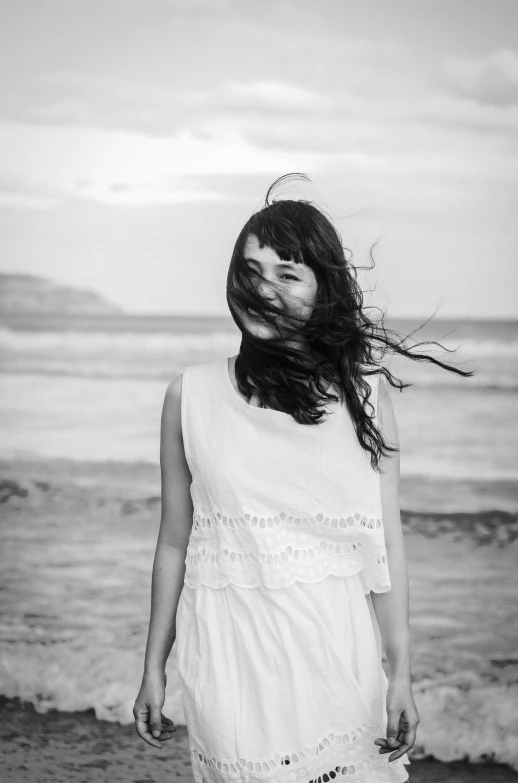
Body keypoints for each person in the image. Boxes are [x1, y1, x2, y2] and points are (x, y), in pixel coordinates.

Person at [133, 174, 473, 782]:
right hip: (230, 652)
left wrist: (401, 675)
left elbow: (384, 544)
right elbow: (173, 540)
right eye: (250, 271)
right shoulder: (189, 395)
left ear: (324, 289)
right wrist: (154, 666)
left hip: (334, 653)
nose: (263, 289)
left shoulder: (362, 398)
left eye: (288, 274)